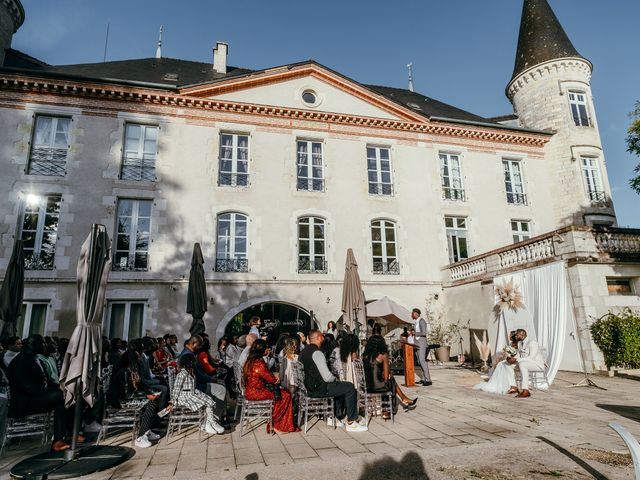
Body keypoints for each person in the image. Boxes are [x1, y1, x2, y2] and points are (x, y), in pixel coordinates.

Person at [6, 335, 72, 452]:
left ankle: (69, 433)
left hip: (35, 398)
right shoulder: (20, 362)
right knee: (59, 397)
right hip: (24, 403)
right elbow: (27, 387)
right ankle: (58, 440)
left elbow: (48, 381)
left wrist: (63, 388)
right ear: (33, 345)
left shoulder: (35, 359)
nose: (45, 345)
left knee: (67, 395)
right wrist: (52, 392)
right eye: (42, 343)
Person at [298, 330, 367, 432]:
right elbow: (327, 377)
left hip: (308, 388)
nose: (323, 337)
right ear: (318, 338)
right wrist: (336, 378)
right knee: (349, 387)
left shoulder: (303, 352)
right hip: (320, 388)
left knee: (340, 387)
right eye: (322, 336)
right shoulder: (317, 353)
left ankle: (334, 417)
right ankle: (351, 422)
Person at [107, 349, 161, 448]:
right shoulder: (124, 373)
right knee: (151, 404)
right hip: (121, 401)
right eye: (137, 357)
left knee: (154, 400)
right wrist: (146, 396)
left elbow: (139, 387)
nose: (140, 358)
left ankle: (147, 430)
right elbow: (127, 394)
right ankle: (140, 437)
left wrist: (150, 393)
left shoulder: (132, 371)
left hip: (129, 398)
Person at [244, 339, 298, 433]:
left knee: (281, 394)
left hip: (251, 390)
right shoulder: (259, 363)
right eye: (266, 348)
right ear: (262, 350)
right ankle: (277, 424)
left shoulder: (251, 360)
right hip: (257, 392)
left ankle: (277, 423)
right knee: (286, 395)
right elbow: (271, 379)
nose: (268, 350)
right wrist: (276, 378)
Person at [362, 335, 417, 419]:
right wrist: (387, 374)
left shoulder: (364, 356)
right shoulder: (383, 355)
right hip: (378, 387)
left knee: (389, 379)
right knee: (389, 380)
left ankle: (404, 398)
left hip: (367, 386)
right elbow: (386, 376)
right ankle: (387, 410)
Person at [177, 335, 228, 423]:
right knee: (221, 389)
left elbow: (198, 373)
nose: (201, 347)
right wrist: (211, 379)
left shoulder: (187, 352)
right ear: (194, 344)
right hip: (193, 388)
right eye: (199, 345)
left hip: (195, 384)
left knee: (221, 384)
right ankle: (214, 419)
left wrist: (211, 378)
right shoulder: (188, 355)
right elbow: (197, 376)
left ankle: (223, 414)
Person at [173, 354, 224, 434]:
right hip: (185, 396)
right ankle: (207, 424)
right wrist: (174, 401)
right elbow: (176, 388)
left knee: (210, 401)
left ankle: (209, 422)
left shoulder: (191, 372)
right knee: (207, 403)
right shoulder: (181, 374)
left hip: (193, 393)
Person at [511, 329, 545, 398]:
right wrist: (513, 359)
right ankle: (513, 386)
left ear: (522, 335)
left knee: (522, 364)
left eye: (517, 335)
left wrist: (519, 360)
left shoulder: (532, 342)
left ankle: (525, 390)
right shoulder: (520, 343)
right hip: (525, 363)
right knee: (508, 365)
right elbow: (518, 355)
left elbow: (532, 357)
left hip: (536, 364)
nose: (515, 336)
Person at [138, 337, 168, 408]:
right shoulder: (142, 358)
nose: (154, 346)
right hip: (146, 384)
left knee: (166, 382)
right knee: (164, 388)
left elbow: (150, 374)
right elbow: (143, 380)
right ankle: (159, 410)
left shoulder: (145, 356)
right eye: (152, 345)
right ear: (147, 346)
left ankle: (163, 408)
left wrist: (160, 379)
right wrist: (158, 381)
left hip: (150, 380)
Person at [411, 308, 432, 386]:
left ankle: (428, 380)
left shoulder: (422, 321)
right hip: (417, 344)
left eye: (412, 313)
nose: (411, 315)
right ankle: (423, 378)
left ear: (416, 314)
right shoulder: (416, 322)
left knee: (422, 361)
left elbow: (424, 333)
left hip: (422, 344)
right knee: (419, 362)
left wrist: (415, 333)